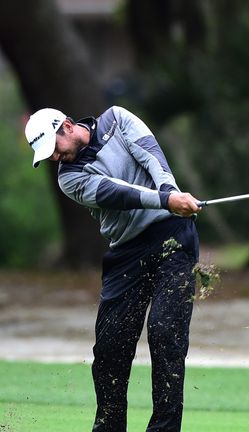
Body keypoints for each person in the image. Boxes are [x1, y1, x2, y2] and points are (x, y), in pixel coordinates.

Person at [24, 106, 201, 431]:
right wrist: (165, 200)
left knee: (165, 333)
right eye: (47, 155)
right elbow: (117, 193)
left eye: (55, 148)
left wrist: (170, 192)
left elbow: (152, 157)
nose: (55, 158)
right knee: (109, 349)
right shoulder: (69, 179)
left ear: (66, 126)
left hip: (172, 235)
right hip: (126, 252)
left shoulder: (117, 120)